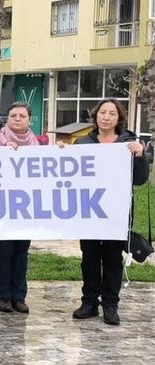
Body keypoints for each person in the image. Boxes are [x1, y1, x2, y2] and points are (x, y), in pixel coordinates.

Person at [65, 99, 147, 325]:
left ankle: (110, 304)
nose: (107, 117)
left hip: (116, 212)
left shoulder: (128, 143)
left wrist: (140, 156)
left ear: (119, 118)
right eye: (103, 112)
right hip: (89, 210)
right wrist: (61, 153)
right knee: (89, 257)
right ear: (96, 116)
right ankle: (89, 301)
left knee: (112, 258)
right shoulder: (84, 143)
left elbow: (140, 180)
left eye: (112, 113)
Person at [0, 102, 47, 314]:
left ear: (30, 120)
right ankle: (3, 296)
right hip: (3, 204)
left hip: (27, 206)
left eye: (22, 115)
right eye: (13, 115)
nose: (17, 119)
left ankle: (19, 295)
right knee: (3, 251)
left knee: (22, 251)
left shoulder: (40, 143)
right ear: (7, 118)